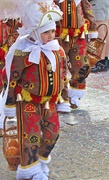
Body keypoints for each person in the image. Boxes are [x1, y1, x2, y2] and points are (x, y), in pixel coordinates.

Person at [1, 1, 66, 179]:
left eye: (53, 31)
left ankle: (41, 160)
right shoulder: (23, 51)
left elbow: (63, 73)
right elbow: (12, 76)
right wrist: (9, 103)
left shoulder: (57, 50)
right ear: (35, 31)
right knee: (30, 136)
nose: (51, 35)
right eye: (46, 32)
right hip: (28, 101)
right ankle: (29, 168)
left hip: (49, 101)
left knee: (53, 133)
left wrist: (62, 95)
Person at [55, 0, 98, 111]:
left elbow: (86, 7)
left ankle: (75, 94)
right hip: (58, 35)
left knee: (81, 65)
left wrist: (92, 26)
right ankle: (62, 97)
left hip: (79, 35)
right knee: (60, 67)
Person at [90, 0, 109, 72]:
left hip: (98, 2)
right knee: (105, 26)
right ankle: (105, 59)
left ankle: (100, 60)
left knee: (99, 27)